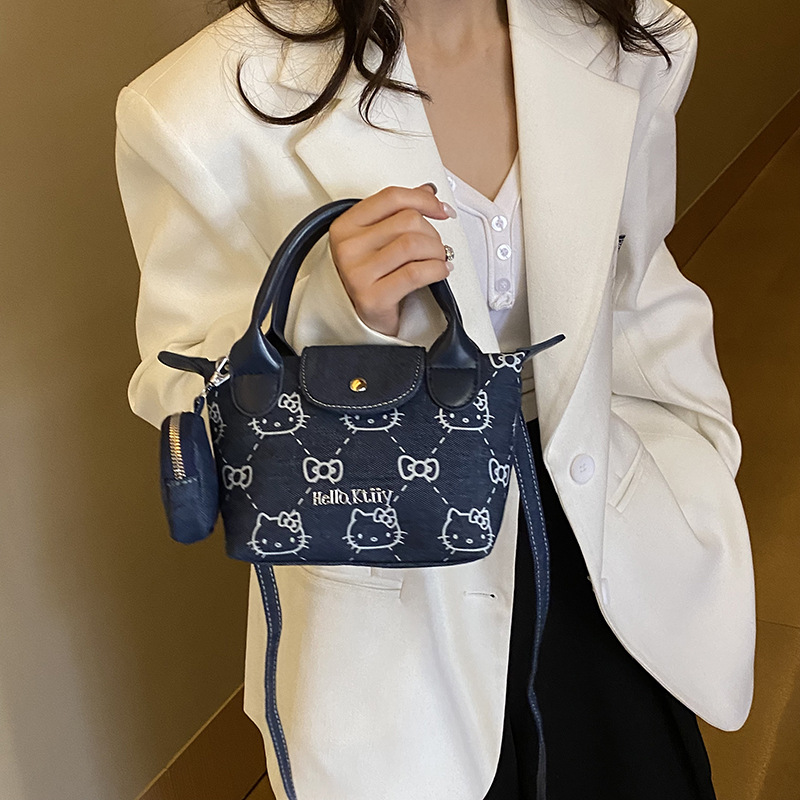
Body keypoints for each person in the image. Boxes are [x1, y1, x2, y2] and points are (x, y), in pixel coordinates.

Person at [115, 0, 756, 797]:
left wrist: (698, 459)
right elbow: (180, 383)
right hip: (387, 561)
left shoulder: (633, 37)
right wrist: (330, 313)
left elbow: (638, 284)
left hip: (604, 534)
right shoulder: (194, 107)